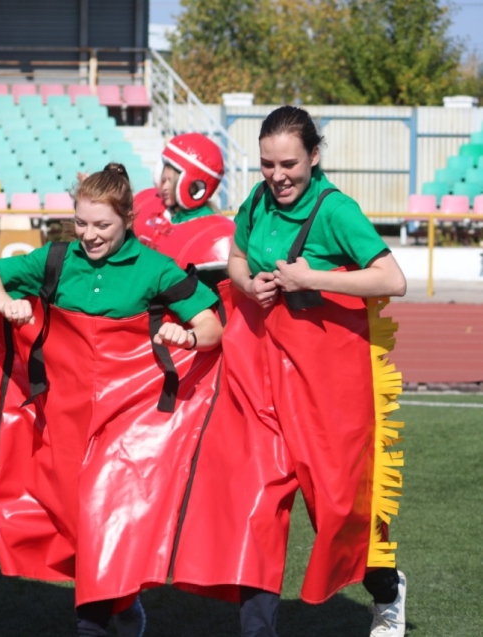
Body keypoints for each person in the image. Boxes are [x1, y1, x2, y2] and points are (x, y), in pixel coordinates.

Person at [171, 106, 408, 637]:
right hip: (258, 373)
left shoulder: (335, 210)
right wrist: (249, 283)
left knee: (339, 507)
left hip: (326, 382)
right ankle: (259, 630)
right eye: (266, 165)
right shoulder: (257, 201)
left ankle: (387, 591)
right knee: (254, 501)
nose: (277, 176)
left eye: (289, 164)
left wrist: (313, 278)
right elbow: (235, 257)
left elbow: (392, 279)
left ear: (314, 157)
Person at [0, 163, 224, 637]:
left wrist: (188, 336)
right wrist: (5, 302)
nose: (89, 235)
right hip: (62, 417)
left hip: (125, 421)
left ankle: (93, 619)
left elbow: (212, 325)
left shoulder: (153, 268)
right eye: (81, 223)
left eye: (102, 225)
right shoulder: (56, 259)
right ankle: (124, 608)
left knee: (98, 514)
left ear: (128, 218)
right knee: (73, 519)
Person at [133, 132, 235, 273]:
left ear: (194, 187)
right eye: (163, 179)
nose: (165, 187)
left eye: (171, 181)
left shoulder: (218, 237)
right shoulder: (150, 203)